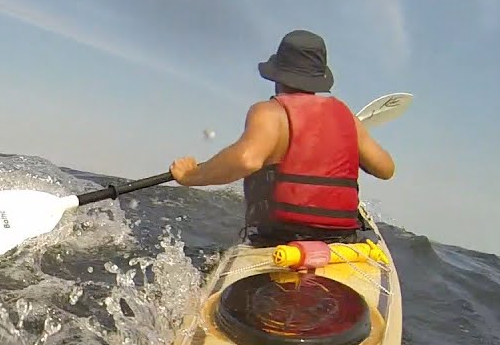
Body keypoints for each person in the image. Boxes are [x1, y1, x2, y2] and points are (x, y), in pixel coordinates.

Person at [169, 29, 395, 246]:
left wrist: (191, 176)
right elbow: (385, 168)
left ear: (278, 76)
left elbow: (246, 160)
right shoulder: (348, 119)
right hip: (340, 237)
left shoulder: (269, 112)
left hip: (280, 236)